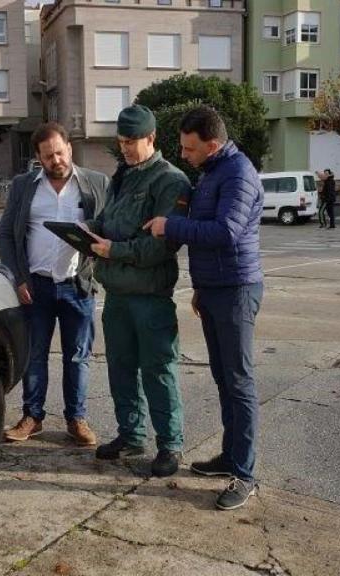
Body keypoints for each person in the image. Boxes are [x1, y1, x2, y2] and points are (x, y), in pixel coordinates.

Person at [143, 106, 265, 510]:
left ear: (212, 144)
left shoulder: (238, 173)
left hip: (236, 290)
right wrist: (200, 287)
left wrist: (169, 226)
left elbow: (226, 232)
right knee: (223, 380)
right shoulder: (214, 171)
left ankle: (244, 475)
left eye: (189, 148)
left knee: (240, 383)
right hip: (215, 289)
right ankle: (230, 456)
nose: (184, 155)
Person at [83, 104, 191, 477]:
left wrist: (115, 250)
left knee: (158, 370)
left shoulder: (171, 181)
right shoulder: (123, 176)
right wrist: (86, 230)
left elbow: (161, 245)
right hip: (116, 294)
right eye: (122, 141)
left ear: (152, 138)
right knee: (121, 367)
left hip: (150, 297)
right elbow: (110, 220)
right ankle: (131, 435)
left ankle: (170, 445)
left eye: (133, 141)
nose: (126, 148)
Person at [0, 122, 109, 446]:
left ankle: (76, 419)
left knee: (78, 357)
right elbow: (6, 234)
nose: (56, 160)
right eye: (48, 156)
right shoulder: (23, 186)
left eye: (60, 152)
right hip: (37, 287)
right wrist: (17, 277)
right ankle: (33, 417)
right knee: (34, 356)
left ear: (69, 149)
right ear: (38, 158)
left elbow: (109, 228)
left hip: (78, 287)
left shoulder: (96, 184)